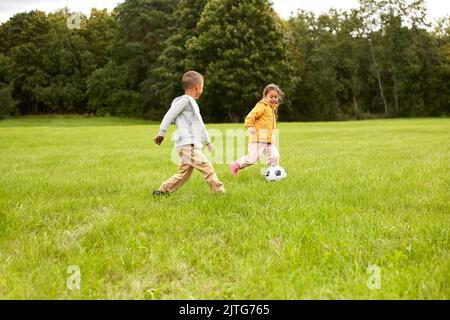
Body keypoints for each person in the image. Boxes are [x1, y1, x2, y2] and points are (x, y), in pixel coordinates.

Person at [153, 71, 225, 195]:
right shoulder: (184, 101)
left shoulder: (192, 103)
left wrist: (207, 141)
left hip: (188, 144)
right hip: (188, 144)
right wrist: (161, 133)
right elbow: (169, 115)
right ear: (198, 86)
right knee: (206, 166)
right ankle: (219, 191)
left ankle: (162, 191)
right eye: (202, 86)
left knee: (184, 174)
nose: (202, 89)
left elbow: (200, 124)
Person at [229, 84, 283, 176]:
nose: (273, 99)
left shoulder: (272, 109)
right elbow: (250, 116)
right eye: (271, 97)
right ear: (265, 96)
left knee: (275, 156)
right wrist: (250, 127)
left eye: (275, 97)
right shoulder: (262, 106)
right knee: (251, 160)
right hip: (257, 139)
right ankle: (236, 165)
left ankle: (273, 175)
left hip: (268, 140)